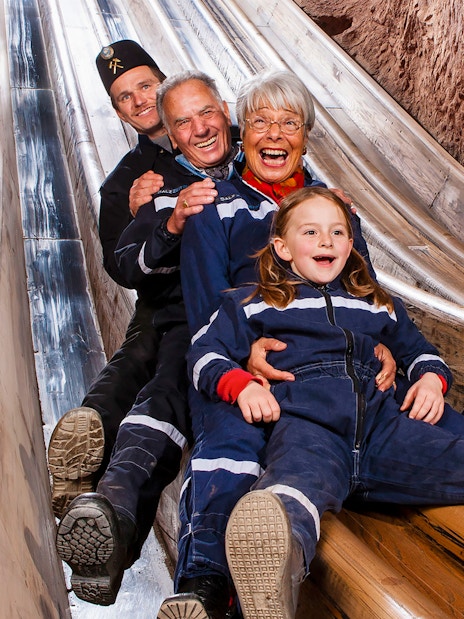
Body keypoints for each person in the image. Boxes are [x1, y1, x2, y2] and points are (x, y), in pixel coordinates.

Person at [157, 70, 464, 619]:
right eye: (261, 121)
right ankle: (214, 581)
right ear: (280, 245)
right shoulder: (237, 259)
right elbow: (207, 337)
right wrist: (240, 369)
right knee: (276, 478)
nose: (274, 132)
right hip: (303, 414)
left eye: (289, 122)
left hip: (375, 418)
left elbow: (401, 332)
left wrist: (422, 372)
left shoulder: (359, 279)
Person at [54, 69, 242, 606]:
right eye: (183, 120)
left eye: (206, 113)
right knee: (160, 373)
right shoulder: (144, 184)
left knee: (176, 388)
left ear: (226, 110)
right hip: (178, 309)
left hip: (257, 321)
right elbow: (125, 263)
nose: (197, 127)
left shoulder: (256, 159)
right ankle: (100, 496)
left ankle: (113, 516)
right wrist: (163, 220)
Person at [47, 39, 173, 517]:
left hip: (236, 290)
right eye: (126, 96)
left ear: (166, 83)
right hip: (166, 294)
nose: (140, 99)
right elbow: (119, 268)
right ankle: (86, 440)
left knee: (167, 374)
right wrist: (145, 217)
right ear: (118, 113)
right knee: (143, 350)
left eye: (146, 85)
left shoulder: (219, 135)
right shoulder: (124, 181)